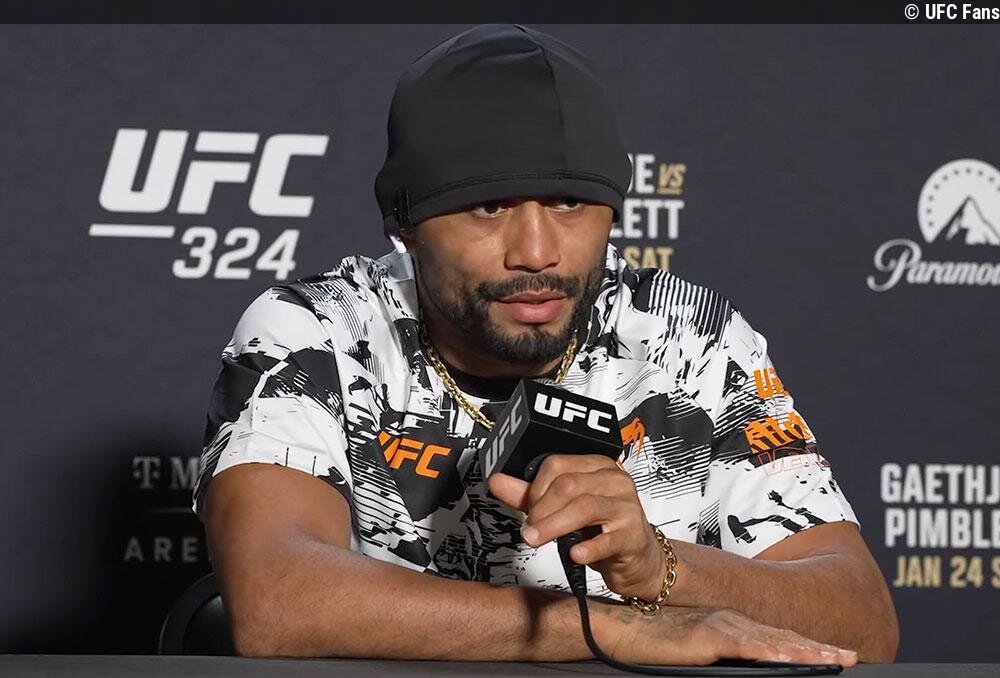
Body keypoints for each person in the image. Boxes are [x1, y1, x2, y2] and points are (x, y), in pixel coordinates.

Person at [192, 24, 898, 665]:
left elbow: (862, 618)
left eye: (569, 203)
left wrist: (658, 569)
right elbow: (277, 601)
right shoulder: (317, 332)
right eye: (488, 205)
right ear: (406, 224)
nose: (536, 252)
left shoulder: (687, 335)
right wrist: (614, 627)